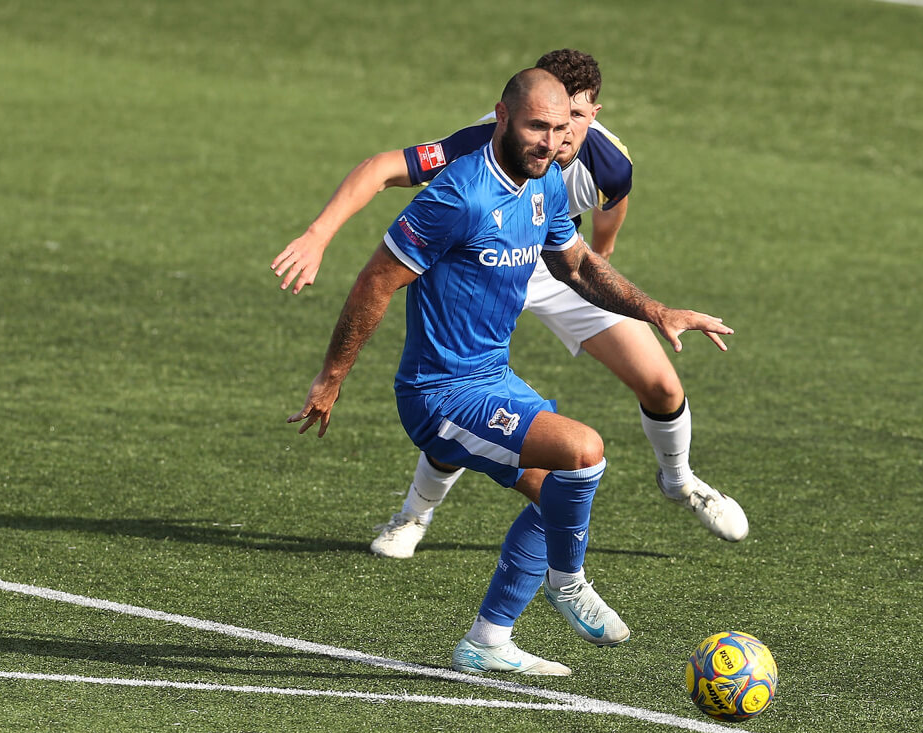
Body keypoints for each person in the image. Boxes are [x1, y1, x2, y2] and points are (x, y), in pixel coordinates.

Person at [286, 69, 733, 675]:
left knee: (560, 499)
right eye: (535, 127)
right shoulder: (458, 195)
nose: (548, 142)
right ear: (501, 117)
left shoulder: (545, 186)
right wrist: (331, 378)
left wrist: (657, 312)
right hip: (440, 394)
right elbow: (374, 282)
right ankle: (566, 582)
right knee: (585, 451)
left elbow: (578, 266)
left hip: (492, 380)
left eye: (558, 128)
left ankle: (488, 640)